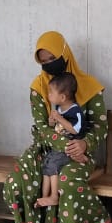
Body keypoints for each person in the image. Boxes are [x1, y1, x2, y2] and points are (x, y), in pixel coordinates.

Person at [2, 31, 112, 223]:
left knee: (67, 180)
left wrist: (84, 144)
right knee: (16, 180)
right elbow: (42, 128)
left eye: (52, 58)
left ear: (65, 54)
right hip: (46, 149)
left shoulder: (90, 87)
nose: (49, 64)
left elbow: (100, 126)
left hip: (81, 152)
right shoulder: (38, 87)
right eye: (44, 61)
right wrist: (68, 146)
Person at [36, 72, 89, 208]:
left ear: (63, 97)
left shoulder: (75, 111)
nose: (48, 95)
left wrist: (60, 119)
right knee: (46, 166)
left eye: (51, 92)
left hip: (69, 149)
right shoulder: (58, 108)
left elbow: (75, 130)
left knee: (53, 166)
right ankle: (44, 196)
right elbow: (55, 127)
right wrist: (52, 121)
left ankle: (54, 196)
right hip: (57, 148)